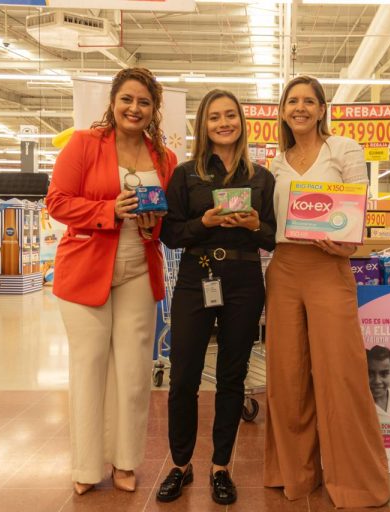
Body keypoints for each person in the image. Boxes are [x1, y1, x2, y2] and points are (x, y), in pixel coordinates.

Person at [45, 67, 177, 496]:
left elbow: (168, 217)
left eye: (144, 102)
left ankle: (126, 461)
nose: (134, 108)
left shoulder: (165, 158)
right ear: (113, 102)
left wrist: (156, 224)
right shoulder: (85, 144)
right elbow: (57, 202)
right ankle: (86, 466)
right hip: (85, 272)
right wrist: (108, 210)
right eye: (127, 99)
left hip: (140, 268)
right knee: (89, 368)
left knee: (134, 372)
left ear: (154, 109)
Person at [263, 75, 390, 508]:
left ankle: (356, 481)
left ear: (321, 109)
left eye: (308, 101)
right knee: (288, 377)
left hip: (329, 267)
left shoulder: (344, 149)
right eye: (292, 101)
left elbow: (358, 209)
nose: (299, 108)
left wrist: (348, 245)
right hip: (283, 270)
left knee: (341, 375)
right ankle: (294, 472)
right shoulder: (276, 164)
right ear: (283, 111)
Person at [156, 89, 276, 505]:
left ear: (242, 121)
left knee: (231, 376)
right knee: (183, 376)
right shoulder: (186, 175)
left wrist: (255, 224)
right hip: (197, 276)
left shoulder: (261, 177)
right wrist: (203, 223)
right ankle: (180, 464)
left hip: (244, 279)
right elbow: (171, 235)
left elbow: (273, 237)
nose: (224, 123)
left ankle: (220, 466)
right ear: (203, 125)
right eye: (214, 117)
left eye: (230, 115)